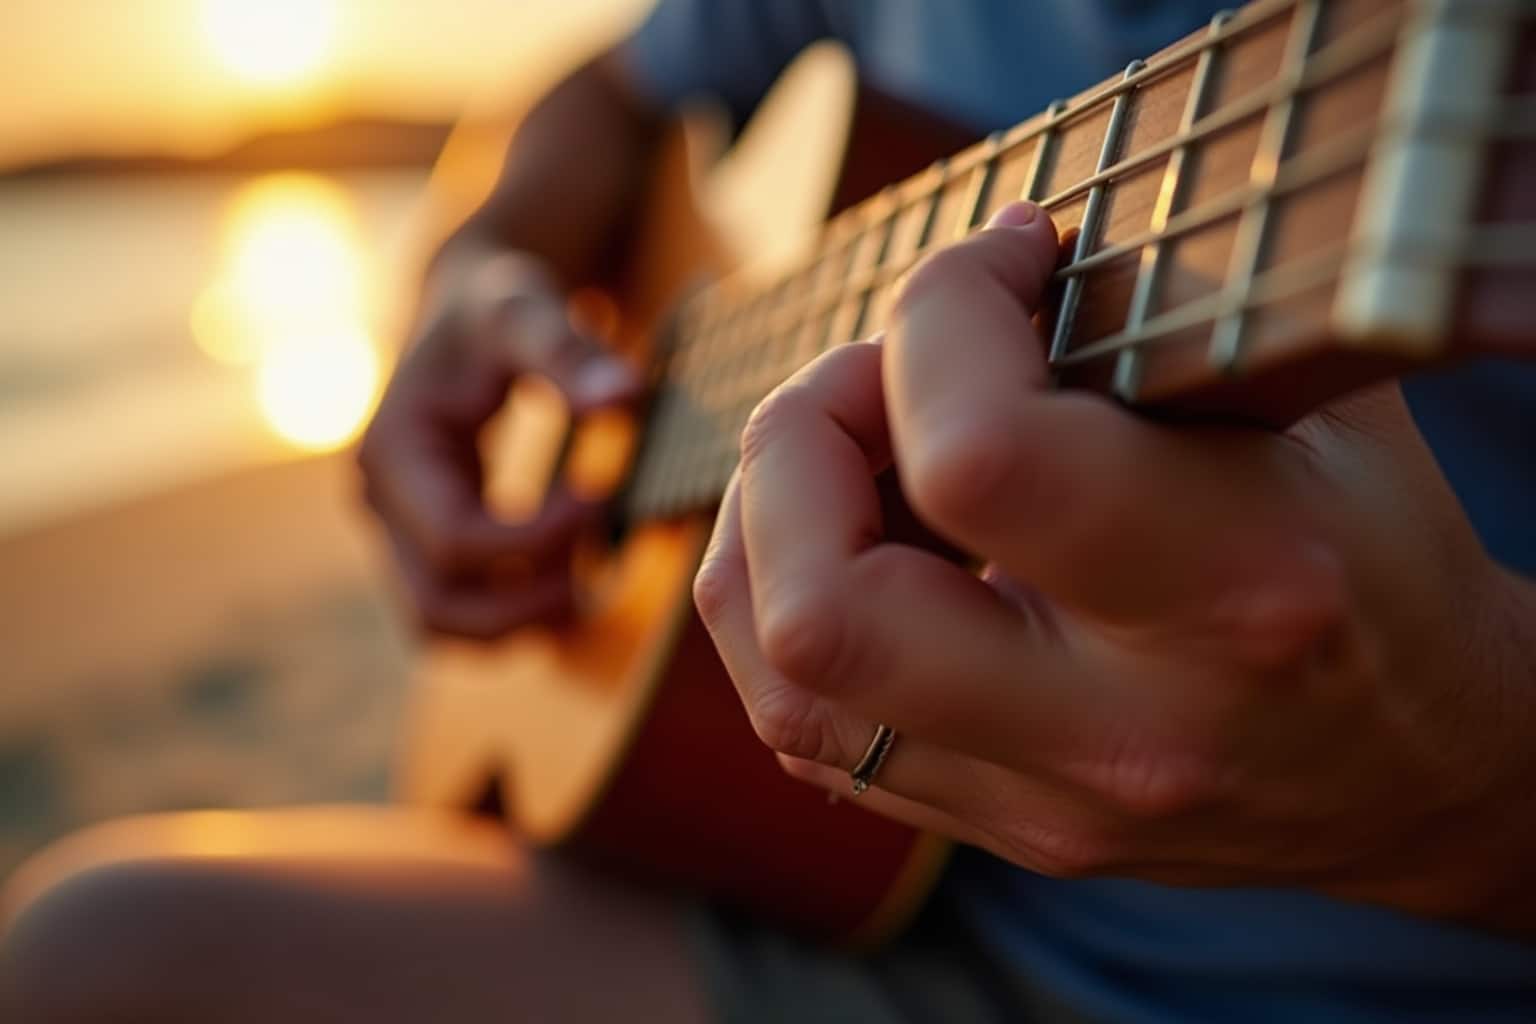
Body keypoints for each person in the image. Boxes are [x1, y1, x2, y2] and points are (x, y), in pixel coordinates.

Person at [4, 1, 1535, 1020]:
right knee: (94, 955)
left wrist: (1475, 806)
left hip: (1393, 975)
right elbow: (608, 91)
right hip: (840, 921)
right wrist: (468, 274)